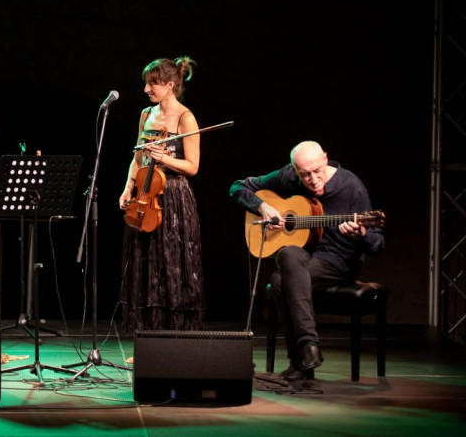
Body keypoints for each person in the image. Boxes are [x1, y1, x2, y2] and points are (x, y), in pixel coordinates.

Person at [230, 141, 384, 380]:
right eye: (305, 174)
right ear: (293, 170)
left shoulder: (352, 186)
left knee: (280, 281)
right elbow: (237, 187)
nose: (312, 179)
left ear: (325, 159)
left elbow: (378, 243)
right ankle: (308, 351)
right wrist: (262, 207)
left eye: (317, 171)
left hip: (338, 262)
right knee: (289, 253)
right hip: (303, 258)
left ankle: (301, 357)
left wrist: (362, 234)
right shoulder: (287, 177)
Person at [118, 56, 204, 331]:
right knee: (145, 265)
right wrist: (127, 187)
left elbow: (192, 166)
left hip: (174, 197)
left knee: (171, 264)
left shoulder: (186, 118)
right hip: (145, 193)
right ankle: (147, 339)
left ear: (169, 85)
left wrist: (164, 159)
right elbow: (137, 157)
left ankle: (174, 339)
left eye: (152, 84)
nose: (146, 90)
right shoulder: (146, 115)